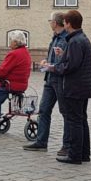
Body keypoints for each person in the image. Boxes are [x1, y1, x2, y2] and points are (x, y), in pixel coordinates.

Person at [51, 10, 91, 164]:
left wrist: (54, 68)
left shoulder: (75, 41)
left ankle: (75, 155)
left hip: (75, 86)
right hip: (83, 86)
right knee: (81, 120)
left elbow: (71, 66)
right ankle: (84, 153)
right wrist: (64, 56)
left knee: (75, 121)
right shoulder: (82, 38)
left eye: (65, 22)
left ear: (68, 23)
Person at [25, 13, 69, 153]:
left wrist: (53, 64)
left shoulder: (66, 38)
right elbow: (53, 56)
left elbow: (65, 60)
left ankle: (67, 145)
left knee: (66, 113)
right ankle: (41, 141)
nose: (50, 23)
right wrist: (46, 61)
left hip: (60, 80)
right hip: (50, 78)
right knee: (43, 110)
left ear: (55, 23)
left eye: (50, 21)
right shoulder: (55, 37)